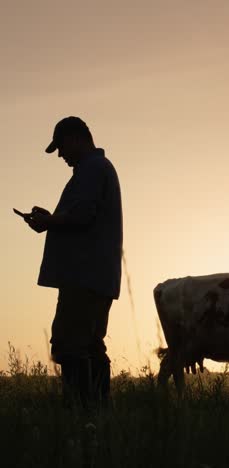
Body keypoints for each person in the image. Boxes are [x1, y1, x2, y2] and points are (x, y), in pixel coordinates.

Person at [24, 116, 123, 408]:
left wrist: (49, 222)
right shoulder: (97, 169)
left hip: (84, 277)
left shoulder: (91, 170)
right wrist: (51, 220)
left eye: (61, 148)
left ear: (75, 138)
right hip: (97, 278)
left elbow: (82, 217)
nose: (61, 156)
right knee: (91, 345)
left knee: (69, 345)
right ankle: (99, 413)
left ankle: (80, 412)